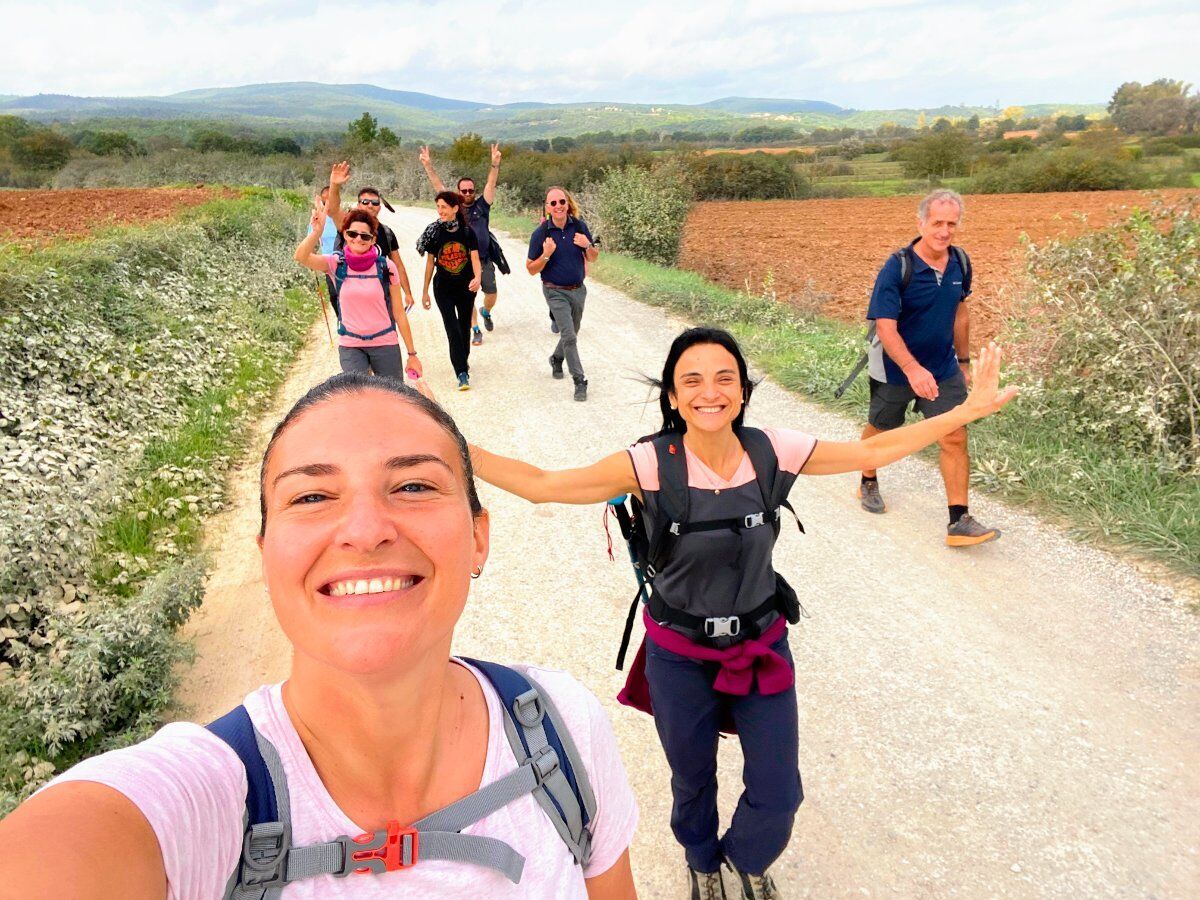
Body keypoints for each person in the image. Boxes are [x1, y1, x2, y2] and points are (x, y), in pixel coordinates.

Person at [0, 374, 640, 899]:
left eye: (414, 485)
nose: (365, 529)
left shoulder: (565, 730)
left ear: (479, 536)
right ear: (265, 553)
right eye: (311, 497)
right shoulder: (199, 803)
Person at [468, 327, 1016, 899]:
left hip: (760, 644)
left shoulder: (770, 450)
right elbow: (542, 485)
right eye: (693, 381)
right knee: (692, 777)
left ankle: (745, 858)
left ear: (744, 390)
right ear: (674, 397)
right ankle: (703, 861)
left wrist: (964, 411)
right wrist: (462, 449)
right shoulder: (651, 464)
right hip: (679, 654)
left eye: (725, 378)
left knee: (779, 791)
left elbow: (872, 451)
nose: (711, 392)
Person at [857, 189, 998, 546]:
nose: (945, 231)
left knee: (954, 434)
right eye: (938, 223)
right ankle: (868, 478)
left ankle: (959, 520)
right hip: (895, 367)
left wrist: (963, 362)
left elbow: (960, 313)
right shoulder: (897, 266)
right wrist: (912, 369)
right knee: (883, 428)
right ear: (921, 223)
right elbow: (886, 328)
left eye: (952, 223)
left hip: (943, 366)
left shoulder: (960, 262)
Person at [294, 206, 422, 380]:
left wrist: (412, 354)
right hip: (351, 346)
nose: (358, 239)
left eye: (365, 236)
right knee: (358, 399)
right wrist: (317, 231)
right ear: (345, 235)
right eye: (352, 234)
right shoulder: (335, 263)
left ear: (373, 239)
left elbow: (399, 314)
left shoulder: (386, 266)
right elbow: (301, 257)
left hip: (385, 343)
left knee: (391, 400)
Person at [420, 142, 503, 345]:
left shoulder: (483, 206)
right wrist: (428, 166)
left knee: (491, 294)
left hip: (483, 260)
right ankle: (475, 328)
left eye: (470, 190)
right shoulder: (454, 207)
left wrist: (494, 165)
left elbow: (490, 185)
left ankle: (486, 311)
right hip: (463, 262)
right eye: (463, 190)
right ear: (458, 193)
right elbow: (438, 187)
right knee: (469, 297)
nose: (467, 193)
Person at [527, 187, 599, 402]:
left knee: (572, 332)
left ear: (567, 203)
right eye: (553, 203)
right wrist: (546, 255)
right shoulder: (541, 234)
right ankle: (579, 380)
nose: (558, 206)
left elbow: (593, 257)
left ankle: (557, 358)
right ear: (547, 207)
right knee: (568, 335)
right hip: (554, 290)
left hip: (578, 290)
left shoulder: (579, 226)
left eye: (561, 202)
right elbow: (531, 268)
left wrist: (588, 245)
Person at [326, 161, 416, 312]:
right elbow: (333, 209)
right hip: (353, 295)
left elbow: (398, 265)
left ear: (380, 207)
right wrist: (334, 185)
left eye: (375, 202)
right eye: (365, 201)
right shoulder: (349, 226)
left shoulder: (387, 233)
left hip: (381, 296)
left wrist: (407, 293)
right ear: (358, 204)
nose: (370, 205)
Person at [422, 190, 482, 391]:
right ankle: (461, 372)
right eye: (438, 206)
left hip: (466, 288)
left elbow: (474, 258)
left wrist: (478, 278)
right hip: (443, 289)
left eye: (444, 207)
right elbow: (430, 263)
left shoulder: (467, 233)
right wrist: (425, 291)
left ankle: (462, 361)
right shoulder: (435, 233)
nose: (440, 211)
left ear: (455, 208)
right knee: (452, 328)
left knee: (464, 326)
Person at [309, 185, 342, 316]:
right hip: (329, 265)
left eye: (332, 199)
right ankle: (341, 320)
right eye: (326, 200)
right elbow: (311, 240)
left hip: (347, 263)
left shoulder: (344, 217)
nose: (329, 202)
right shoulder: (319, 220)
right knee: (334, 295)